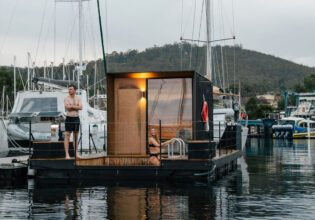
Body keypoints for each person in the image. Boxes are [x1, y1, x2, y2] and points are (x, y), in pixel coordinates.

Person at [64, 84, 82, 159]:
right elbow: (67, 108)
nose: (69, 91)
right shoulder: (66, 98)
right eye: (69, 89)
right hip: (69, 118)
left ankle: (76, 153)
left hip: (76, 118)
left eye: (71, 89)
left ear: (75, 90)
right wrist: (76, 107)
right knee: (67, 135)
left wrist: (72, 106)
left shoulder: (78, 98)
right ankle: (67, 154)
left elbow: (81, 107)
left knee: (75, 136)